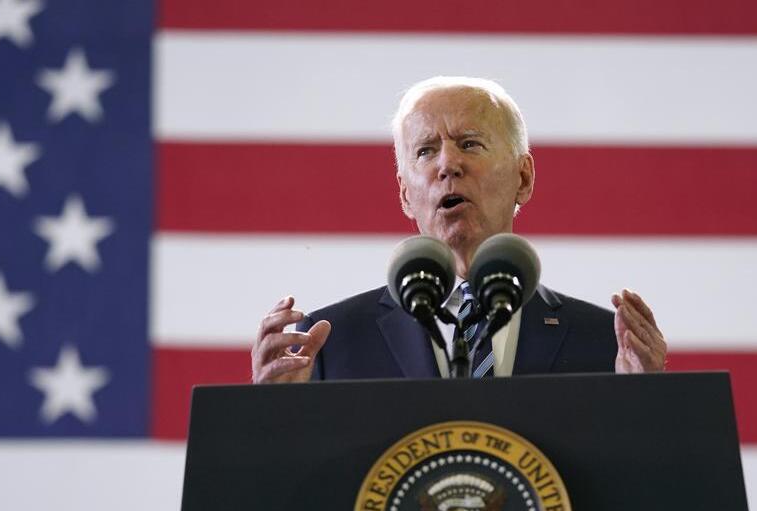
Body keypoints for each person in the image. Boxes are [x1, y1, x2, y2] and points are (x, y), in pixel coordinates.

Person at [251, 77, 666, 384]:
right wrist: (277, 419)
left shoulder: (605, 345)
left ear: (523, 177)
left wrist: (646, 406)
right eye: (425, 150)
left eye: (469, 143)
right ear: (405, 194)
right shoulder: (329, 345)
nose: (447, 165)